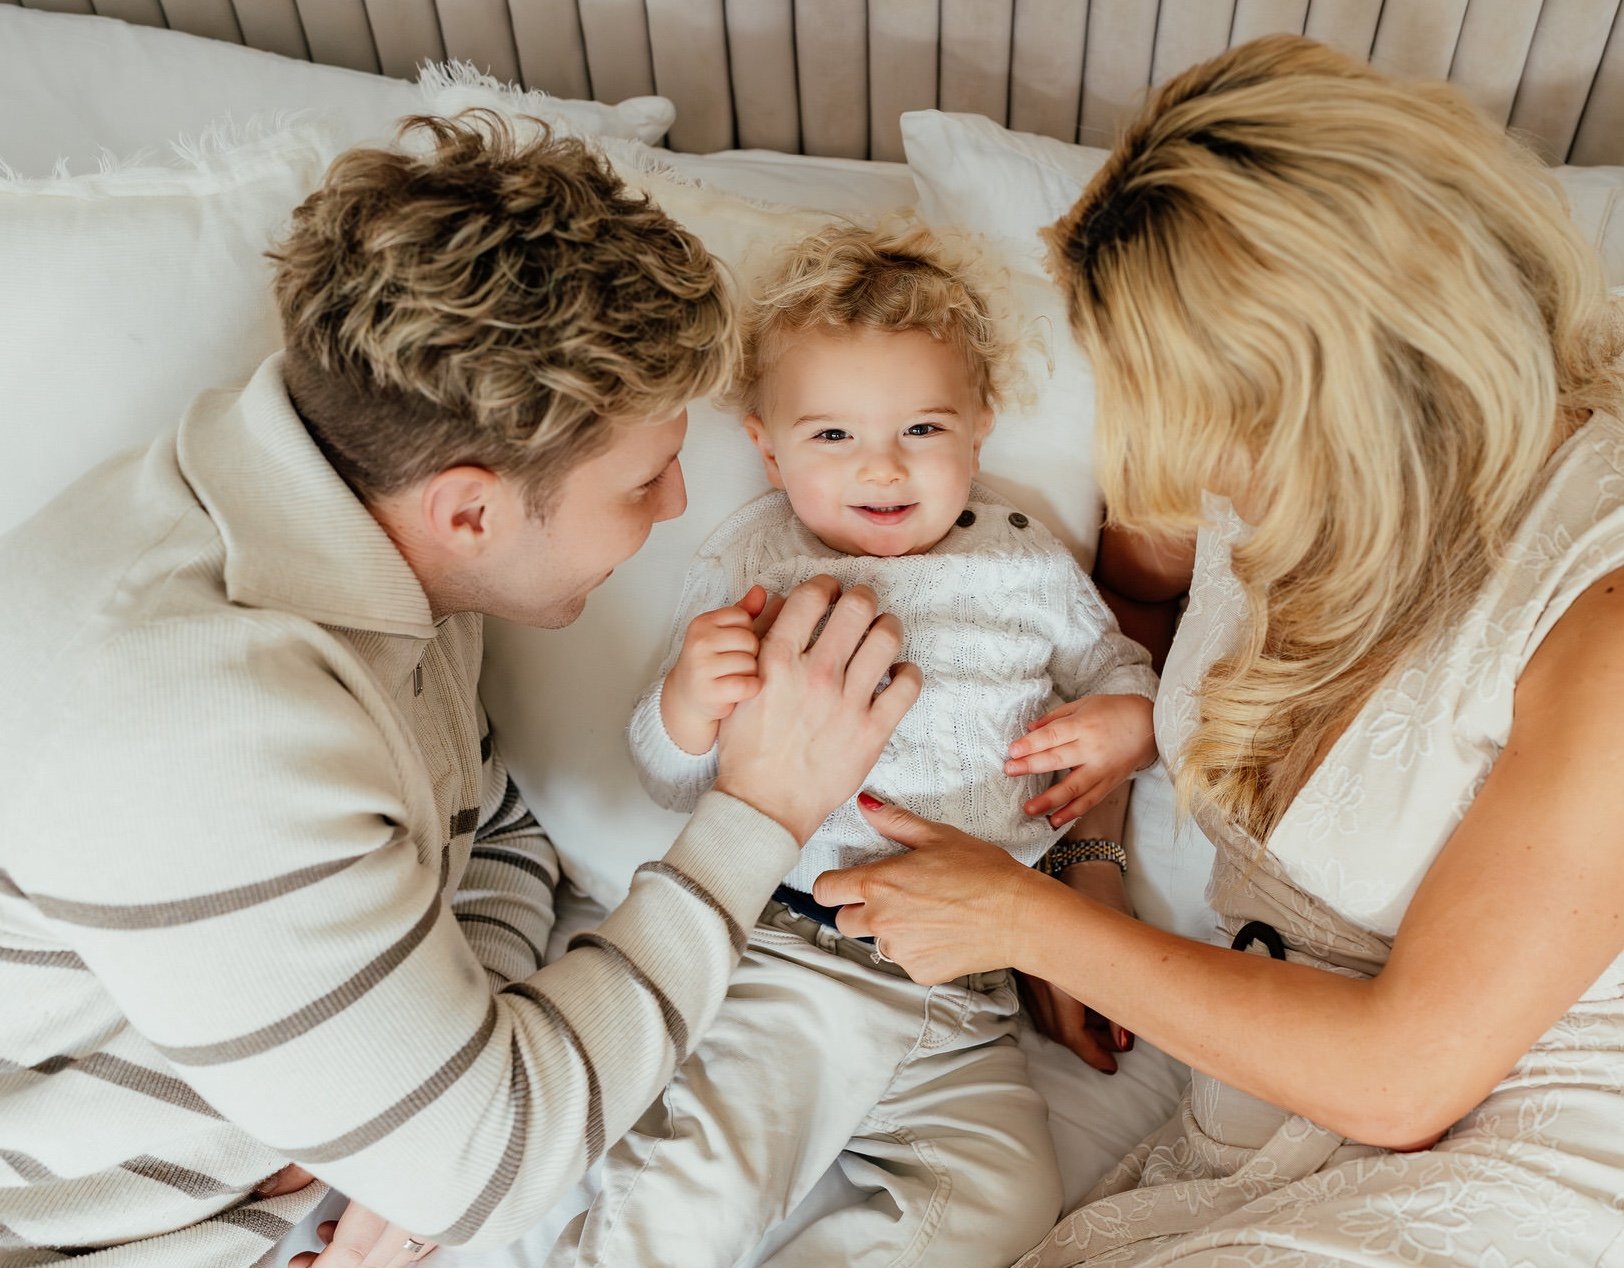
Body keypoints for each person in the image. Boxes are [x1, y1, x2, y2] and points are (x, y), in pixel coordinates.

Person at [0, 112, 920, 1266]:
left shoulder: (352, 514)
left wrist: (423, 1100)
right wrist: (761, 810)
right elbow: (493, 1166)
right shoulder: (207, 718)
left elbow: (495, 823)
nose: (681, 503)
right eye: (645, 477)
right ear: (472, 510)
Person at [814, 35, 1624, 1266]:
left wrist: (1030, 923)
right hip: (1264, 1099)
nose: (1182, 474)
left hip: (1511, 1121)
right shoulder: (1247, 448)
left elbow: (1405, 1076)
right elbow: (1127, 621)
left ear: (1337, 395)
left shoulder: (1598, 614)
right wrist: (1084, 849)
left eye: (1204, 424)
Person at [549, 225, 1158, 1267]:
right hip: (801, 954)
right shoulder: (756, 563)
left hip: (971, 994)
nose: (882, 465)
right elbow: (669, 772)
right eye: (831, 436)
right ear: (766, 444)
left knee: (1007, 1194)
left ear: (979, 427)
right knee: (708, 1176)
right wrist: (691, 701)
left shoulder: (1023, 559)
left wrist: (1128, 725)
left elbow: (1114, 663)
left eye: (922, 426)